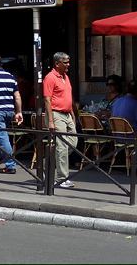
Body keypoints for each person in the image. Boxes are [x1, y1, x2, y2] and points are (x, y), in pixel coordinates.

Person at [43, 52, 78, 188]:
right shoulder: (50, 77)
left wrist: (73, 114)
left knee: (73, 142)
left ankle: (48, 163)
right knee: (62, 146)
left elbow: (68, 96)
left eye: (68, 61)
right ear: (57, 64)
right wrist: (51, 120)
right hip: (56, 114)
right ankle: (62, 178)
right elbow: (47, 99)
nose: (68, 64)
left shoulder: (66, 77)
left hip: (67, 114)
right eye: (65, 62)